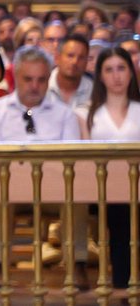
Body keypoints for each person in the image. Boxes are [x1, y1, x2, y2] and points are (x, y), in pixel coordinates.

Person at [0, 46, 82, 291]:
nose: (35, 86)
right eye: (28, 79)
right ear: (16, 77)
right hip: (9, 187)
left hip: (55, 190)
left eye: (41, 80)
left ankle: (76, 263)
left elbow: (71, 160)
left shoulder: (65, 115)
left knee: (77, 195)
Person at [77, 47, 140, 288]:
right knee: (120, 218)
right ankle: (123, 288)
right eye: (109, 70)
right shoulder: (86, 113)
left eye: (122, 68)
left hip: (137, 186)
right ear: (100, 75)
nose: (116, 76)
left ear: (131, 73)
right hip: (102, 190)